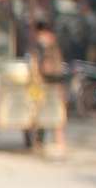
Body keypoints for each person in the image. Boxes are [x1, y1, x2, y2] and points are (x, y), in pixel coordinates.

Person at [28, 19, 69, 156]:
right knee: (51, 113)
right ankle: (56, 143)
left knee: (51, 113)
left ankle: (56, 143)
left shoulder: (46, 41)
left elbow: (48, 64)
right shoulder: (52, 40)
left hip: (50, 82)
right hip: (54, 81)